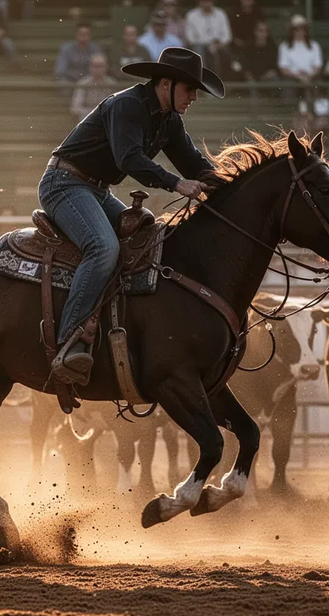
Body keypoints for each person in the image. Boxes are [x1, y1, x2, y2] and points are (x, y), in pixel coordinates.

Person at [42, 47, 222, 384]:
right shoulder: (126, 105)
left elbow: (194, 163)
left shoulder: (168, 120)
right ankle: (69, 340)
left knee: (146, 239)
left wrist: (230, 184)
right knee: (104, 248)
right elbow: (129, 159)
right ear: (166, 83)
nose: (193, 97)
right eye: (189, 89)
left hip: (94, 190)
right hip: (64, 183)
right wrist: (176, 183)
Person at [278, 15, 321, 102]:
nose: (299, 32)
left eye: (302, 29)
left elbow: (318, 67)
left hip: (310, 78)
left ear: (305, 30)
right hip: (292, 79)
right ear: (292, 31)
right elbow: (283, 68)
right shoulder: (284, 46)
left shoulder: (314, 46)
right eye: (296, 29)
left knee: (316, 86)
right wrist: (298, 76)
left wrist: (309, 76)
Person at [184, 0, 230, 73]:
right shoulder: (191, 15)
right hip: (199, 45)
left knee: (218, 52)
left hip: (217, 45)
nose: (206, 3)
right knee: (199, 49)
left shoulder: (221, 14)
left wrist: (217, 44)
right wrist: (206, 43)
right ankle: (203, 76)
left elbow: (227, 36)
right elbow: (190, 38)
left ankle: (218, 78)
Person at [70, 53, 116, 122]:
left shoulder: (112, 84)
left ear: (106, 67)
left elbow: (115, 106)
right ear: (90, 67)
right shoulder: (83, 83)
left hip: (106, 116)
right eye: (95, 66)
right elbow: (75, 107)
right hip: (88, 116)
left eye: (101, 66)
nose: (98, 69)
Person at [235, 20, 276, 88]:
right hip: (252, 77)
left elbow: (275, 66)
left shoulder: (272, 46)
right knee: (249, 82)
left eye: (266, 31)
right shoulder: (248, 46)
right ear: (255, 32)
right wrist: (249, 75)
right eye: (261, 31)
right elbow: (245, 65)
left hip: (268, 77)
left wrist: (270, 74)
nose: (263, 34)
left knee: (276, 80)